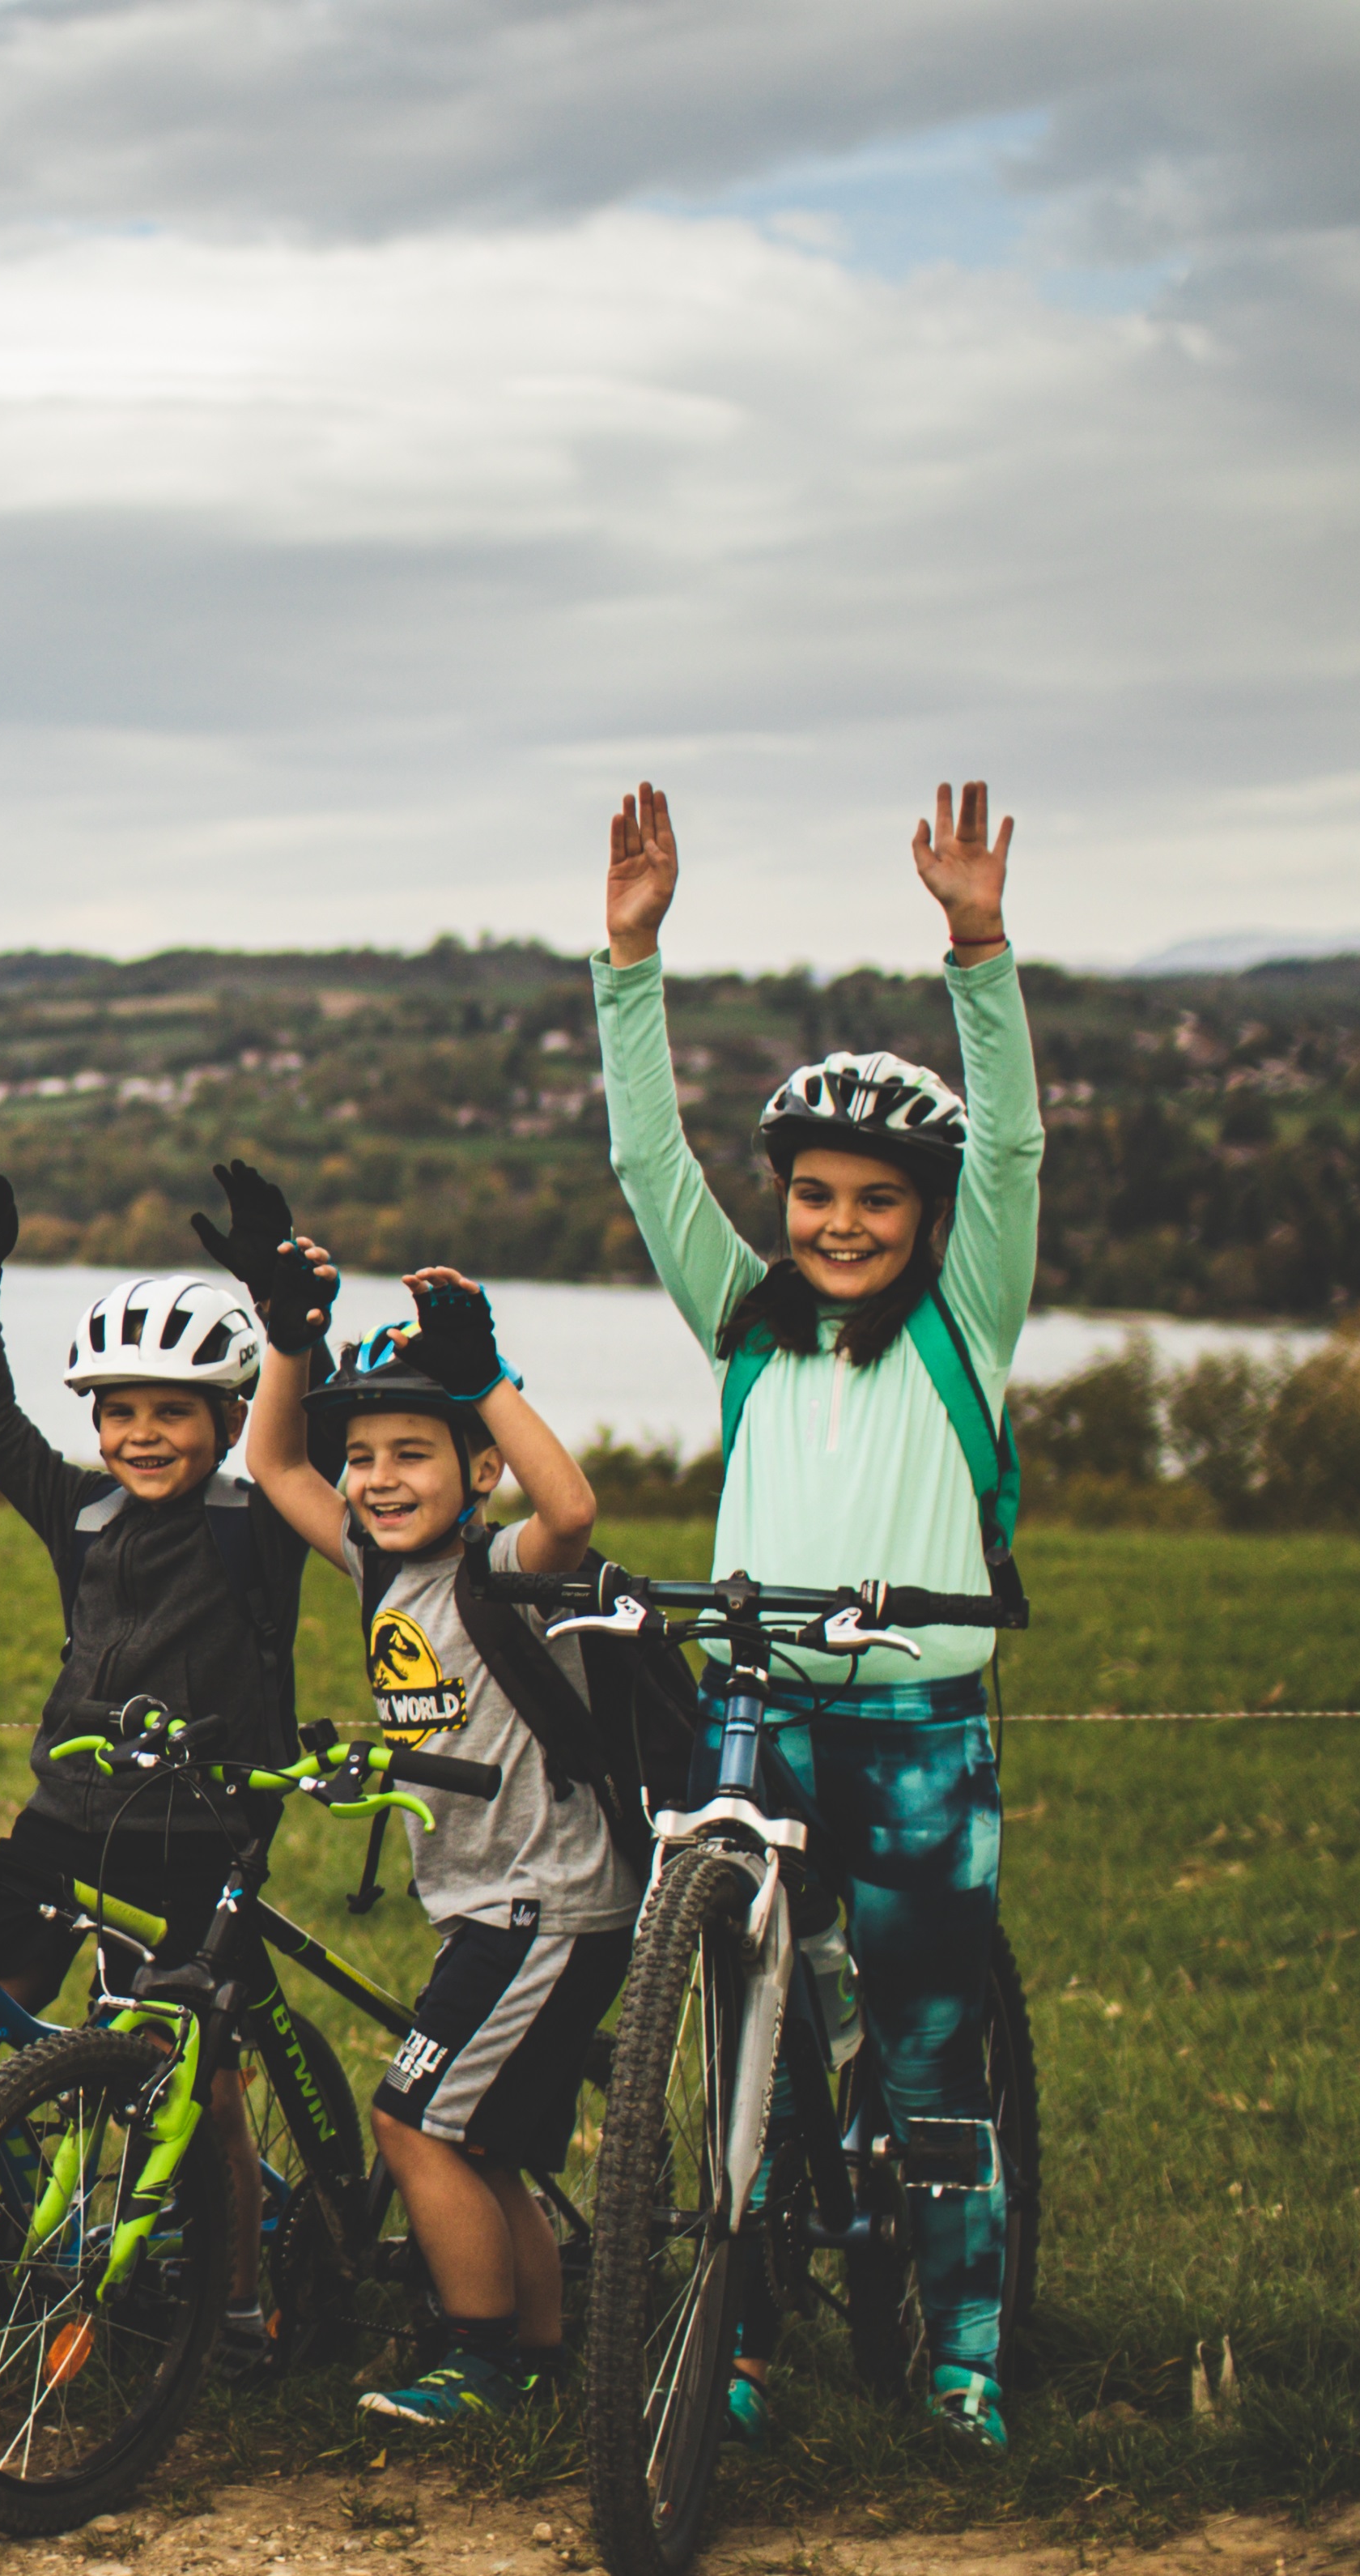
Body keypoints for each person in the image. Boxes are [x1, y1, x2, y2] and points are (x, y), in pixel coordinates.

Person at [592, 778, 1042, 2448]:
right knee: (747, 2060)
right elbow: (646, 1158)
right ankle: (739, 2338)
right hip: (754, 1710)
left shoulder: (962, 1324)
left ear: (923, 1219)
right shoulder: (744, 1324)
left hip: (917, 1726)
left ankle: (962, 2353)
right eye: (811, 1196)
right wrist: (627, 960)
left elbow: (1008, 1143)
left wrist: (973, 949)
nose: (836, 1225)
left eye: (873, 1202)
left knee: (925, 2057)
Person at [240, 1252, 627, 2425]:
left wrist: (484, 1370)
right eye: (360, 1457)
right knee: (486, 2144)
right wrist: (289, 1339)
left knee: (413, 2122)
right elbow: (267, 1460)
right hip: (489, 1903)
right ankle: (542, 2355)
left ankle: (480, 2359)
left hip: (546, 1901)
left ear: (477, 1466)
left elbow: (572, 1510)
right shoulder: (378, 1569)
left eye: (411, 1452)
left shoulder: (503, 1568)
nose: (375, 1478)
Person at [0, 1169, 304, 2374]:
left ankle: (241, 2305)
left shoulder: (264, 1524)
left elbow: (314, 1423)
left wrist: (281, 1293)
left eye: (174, 1413)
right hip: (64, 1820)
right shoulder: (82, 1514)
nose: (142, 1434)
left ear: (226, 1416)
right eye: (120, 1411)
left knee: (197, 2079)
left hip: (202, 1839)